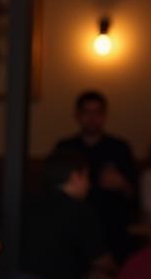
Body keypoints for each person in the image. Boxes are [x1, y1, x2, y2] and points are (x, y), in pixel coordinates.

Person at [53, 90, 138, 264]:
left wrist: (121, 183)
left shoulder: (119, 148)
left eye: (97, 112)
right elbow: (52, 191)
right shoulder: (65, 148)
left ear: (104, 116)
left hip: (112, 225)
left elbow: (135, 195)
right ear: (77, 116)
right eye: (87, 112)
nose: (92, 118)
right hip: (71, 224)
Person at [21, 145, 111, 279]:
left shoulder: (25, 205)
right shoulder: (81, 212)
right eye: (87, 177)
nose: (89, 185)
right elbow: (101, 261)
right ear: (76, 176)